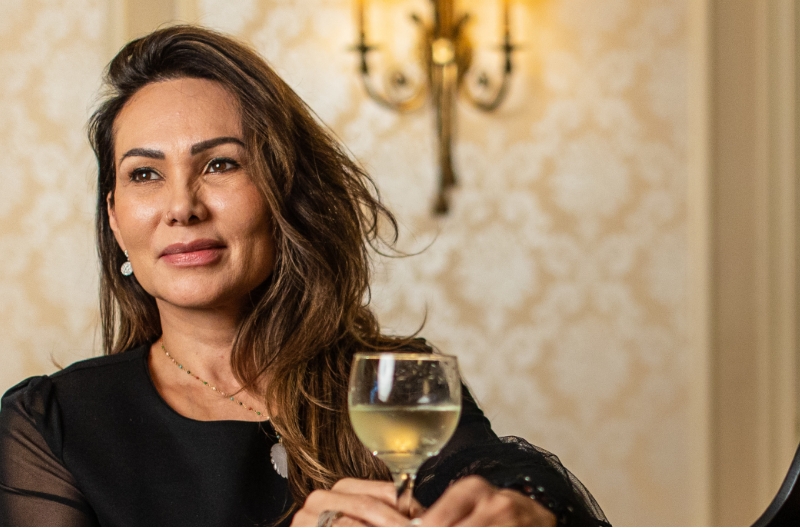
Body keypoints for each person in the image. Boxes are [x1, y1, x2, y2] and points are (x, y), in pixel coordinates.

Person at [0, 26, 608, 526]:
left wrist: (527, 508)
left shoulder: (391, 384)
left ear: (283, 190)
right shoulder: (49, 426)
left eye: (220, 164)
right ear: (114, 216)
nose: (182, 206)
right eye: (144, 174)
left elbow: (496, 476)